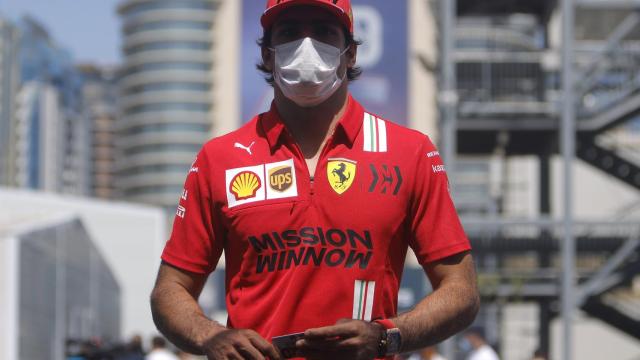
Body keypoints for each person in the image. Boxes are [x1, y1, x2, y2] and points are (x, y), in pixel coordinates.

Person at [150, 0, 480, 359]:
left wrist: (387, 336)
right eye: (290, 32)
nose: (306, 46)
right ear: (267, 53)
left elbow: (461, 291)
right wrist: (210, 337)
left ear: (350, 53)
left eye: (323, 31)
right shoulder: (220, 158)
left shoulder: (410, 152)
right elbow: (170, 290)